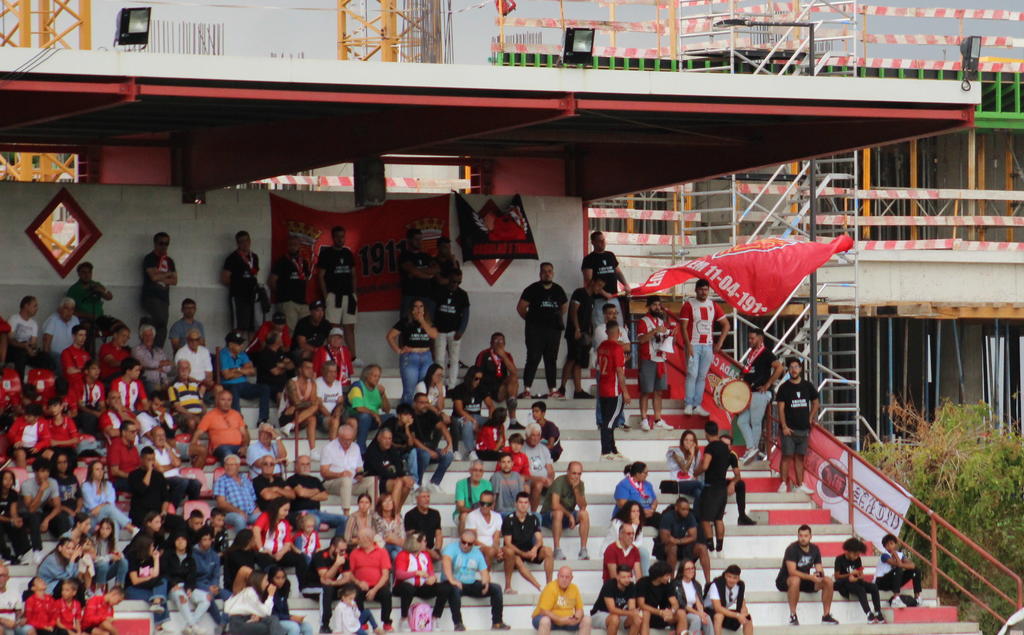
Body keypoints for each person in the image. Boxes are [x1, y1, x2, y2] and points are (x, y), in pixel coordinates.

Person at [678, 279, 730, 416]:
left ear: (709, 290)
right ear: (696, 290)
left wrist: (719, 343)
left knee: (702, 376)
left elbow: (726, 324)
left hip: (708, 346)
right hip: (693, 344)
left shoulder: (713, 305)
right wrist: (688, 345)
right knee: (692, 374)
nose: (703, 292)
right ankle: (688, 403)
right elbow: (683, 327)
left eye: (706, 289)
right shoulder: (689, 305)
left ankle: (697, 404)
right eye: (701, 289)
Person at [517, 262, 569, 399]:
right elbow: (521, 308)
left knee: (551, 359)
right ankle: (527, 390)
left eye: (550, 271)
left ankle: (552, 389)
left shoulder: (558, 290)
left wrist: (555, 319)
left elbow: (564, 306)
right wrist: (531, 321)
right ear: (540, 274)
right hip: (535, 331)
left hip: (553, 331)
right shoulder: (532, 289)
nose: (547, 274)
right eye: (544, 271)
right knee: (533, 358)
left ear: (553, 273)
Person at [442, 529, 509, 631]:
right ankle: (458, 623)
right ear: (460, 540)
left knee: (496, 588)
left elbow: (484, 571)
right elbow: (446, 562)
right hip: (453, 582)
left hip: (470, 583)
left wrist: (486, 582)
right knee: (454, 590)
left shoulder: (477, 552)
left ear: (473, 544)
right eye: (463, 542)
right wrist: (451, 580)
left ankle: (497, 622)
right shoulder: (451, 548)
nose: (466, 545)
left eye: (469, 544)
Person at [774, 524, 838, 626]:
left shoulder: (815, 549)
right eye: (800, 536)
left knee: (828, 581)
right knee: (795, 580)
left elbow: (819, 568)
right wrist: (811, 577)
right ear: (798, 536)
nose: (803, 538)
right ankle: (793, 615)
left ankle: (826, 616)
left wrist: (819, 576)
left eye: (805, 536)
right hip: (786, 580)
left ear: (810, 537)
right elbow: (792, 571)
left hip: (804, 579)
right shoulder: (791, 549)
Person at [735, 329, 783, 464]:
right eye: (749, 338)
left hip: (760, 393)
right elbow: (749, 370)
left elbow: (779, 368)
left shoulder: (766, 353)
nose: (750, 341)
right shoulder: (751, 354)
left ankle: (752, 451)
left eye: (752, 338)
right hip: (749, 392)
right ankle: (751, 448)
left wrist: (768, 384)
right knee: (741, 421)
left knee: (755, 422)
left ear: (760, 339)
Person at [694, 422, 740, 555]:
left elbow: (705, 466)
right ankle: (720, 548)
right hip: (722, 487)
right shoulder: (726, 449)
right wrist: (732, 483)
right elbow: (737, 473)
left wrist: (695, 473)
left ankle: (711, 548)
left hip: (711, 487)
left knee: (705, 519)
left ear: (706, 433)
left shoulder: (710, 447)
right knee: (718, 519)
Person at [776, 357, 819, 494]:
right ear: (788, 370)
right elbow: (780, 409)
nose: (794, 370)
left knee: (800, 457)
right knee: (787, 456)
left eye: (796, 367)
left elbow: (816, 402)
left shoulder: (807, 385)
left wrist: (810, 418)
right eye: (791, 367)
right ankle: (783, 484)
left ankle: (800, 485)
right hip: (789, 430)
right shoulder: (783, 388)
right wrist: (784, 426)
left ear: (800, 369)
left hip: (804, 430)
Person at [393, 532, 453, 629]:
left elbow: (431, 572)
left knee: (445, 588)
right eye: (424, 541)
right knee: (407, 588)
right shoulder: (403, 555)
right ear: (416, 543)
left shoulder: (425, 555)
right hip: (403, 587)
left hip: (421, 586)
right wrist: (416, 573)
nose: (426, 543)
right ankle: (404, 618)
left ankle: (435, 617)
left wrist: (432, 578)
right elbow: (399, 574)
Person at [317, 226, 359, 362]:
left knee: (349, 327)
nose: (340, 239)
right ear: (333, 238)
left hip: (349, 296)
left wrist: (354, 293)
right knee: (333, 327)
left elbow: (353, 274)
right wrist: (326, 295)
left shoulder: (347, 253)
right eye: (337, 237)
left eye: (342, 236)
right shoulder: (326, 253)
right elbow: (321, 276)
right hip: (334, 295)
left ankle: (353, 357)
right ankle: (332, 356)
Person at [387, 299, 437, 406]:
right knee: (409, 389)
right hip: (410, 356)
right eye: (416, 306)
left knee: (424, 388)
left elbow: (433, 335)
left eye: (421, 306)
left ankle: (421, 412)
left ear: (424, 309)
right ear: (412, 309)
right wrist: (398, 350)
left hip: (426, 356)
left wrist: (422, 321)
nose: (418, 309)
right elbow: (390, 336)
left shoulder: (429, 322)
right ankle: (406, 413)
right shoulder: (405, 321)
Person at [635, 297, 674, 431]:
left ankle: (658, 419)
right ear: (648, 306)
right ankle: (644, 419)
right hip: (647, 359)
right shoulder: (643, 321)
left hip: (660, 359)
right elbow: (641, 340)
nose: (657, 307)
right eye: (654, 305)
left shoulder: (661, 321)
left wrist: (670, 335)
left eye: (659, 305)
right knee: (646, 391)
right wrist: (655, 331)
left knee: (659, 392)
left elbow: (664, 338)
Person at [502, 492, 553, 593]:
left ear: (529, 504)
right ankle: (539, 587)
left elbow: (539, 539)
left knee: (548, 550)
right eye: (520, 502)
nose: (523, 505)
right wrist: (523, 554)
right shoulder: (509, 519)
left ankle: (549, 586)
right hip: (515, 552)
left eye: (525, 502)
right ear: (516, 504)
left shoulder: (533, 518)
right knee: (515, 557)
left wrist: (534, 549)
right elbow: (508, 543)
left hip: (529, 550)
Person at [558, 277, 601, 399]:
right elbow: (573, 310)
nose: (599, 289)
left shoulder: (592, 298)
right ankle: (562, 388)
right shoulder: (579, 293)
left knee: (579, 361)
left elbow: (589, 316)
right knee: (571, 358)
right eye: (598, 285)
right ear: (592, 282)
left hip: (585, 334)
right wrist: (577, 328)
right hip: (575, 333)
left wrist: (591, 332)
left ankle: (578, 390)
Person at [320, 423, 375, 516]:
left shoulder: (355, 447)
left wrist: (360, 475)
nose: (348, 443)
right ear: (339, 437)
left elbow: (359, 468)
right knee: (346, 480)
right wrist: (340, 474)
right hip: (333, 483)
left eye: (350, 440)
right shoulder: (328, 448)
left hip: (352, 482)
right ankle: (346, 514)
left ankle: (373, 513)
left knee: (372, 480)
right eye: (345, 440)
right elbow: (324, 473)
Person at [163, 530, 210, 635]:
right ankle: (194, 626)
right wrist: (174, 584)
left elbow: (192, 577)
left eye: (183, 539)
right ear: (174, 542)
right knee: (181, 597)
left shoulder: (190, 559)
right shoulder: (168, 556)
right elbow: (164, 574)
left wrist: (189, 588)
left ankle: (188, 626)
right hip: (173, 588)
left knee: (206, 598)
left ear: (187, 542)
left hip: (186, 587)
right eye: (178, 539)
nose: (180, 542)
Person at [287, 454, 348, 537]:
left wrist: (306, 494)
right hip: (301, 513)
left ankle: (336, 543)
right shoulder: (292, 479)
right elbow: (301, 493)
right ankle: (311, 544)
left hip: (318, 512)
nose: (305, 467)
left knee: (345, 519)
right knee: (315, 521)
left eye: (308, 464)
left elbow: (324, 496)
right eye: (302, 464)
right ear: (296, 466)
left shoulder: (315, 480)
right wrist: (316, 491)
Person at [219, 330, 271, 426]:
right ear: (230, 345)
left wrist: (237, 370)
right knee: (233, 390)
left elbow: (252, 371)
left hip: (244, 385)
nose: (241, 346)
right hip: (229, 385)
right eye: (238, 344)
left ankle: (263, 420)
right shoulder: (223, 354)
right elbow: (226, 375)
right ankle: (238, 420)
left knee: (265, 388)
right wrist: (243, 371)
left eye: (241, 343)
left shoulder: (242, 354)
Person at [23, 460, 71, 562]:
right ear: (35, 472)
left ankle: (65, 546)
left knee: (62, 516)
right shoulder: (27, 485)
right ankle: (37, 551)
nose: (45, 474)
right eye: (42, 471)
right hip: (26, 515)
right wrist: (41, 490)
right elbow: (31, 509)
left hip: (42, 514)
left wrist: (47, 520)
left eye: (47, 471)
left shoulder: (52, 482)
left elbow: (57, 506)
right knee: (34, 516)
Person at [252, 498, 309, 584]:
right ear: (277, 508)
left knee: (300, 559)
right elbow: (256, 530)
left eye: (288, 511)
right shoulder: (265, 516)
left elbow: (287, 543)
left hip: (280, 553)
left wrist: (280, 553)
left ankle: (304, 586)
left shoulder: (285, 523)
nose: (287, 513)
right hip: (265, 553)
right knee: (266, 561)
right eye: (285, 510)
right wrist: (261, 548)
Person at [542, 461, 590, 561]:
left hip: (566, 516)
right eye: (574, 473)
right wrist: (569, 515)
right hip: (549, 515)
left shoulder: (580, 484)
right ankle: (557, 550)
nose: (576, 476)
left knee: (584, 514)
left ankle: (583, 550)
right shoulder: (559, 481)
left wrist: (576, 490)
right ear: (567, 472)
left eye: (579, 474)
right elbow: (555, 505)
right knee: (558, 513)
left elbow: (583, 507)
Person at [596, 321, 631, 461]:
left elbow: (604, 365)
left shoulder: (601, 346)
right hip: (614, 390)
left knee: (607, 420)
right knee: (609, 422)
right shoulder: (617, 348)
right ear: (619, 333)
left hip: (603, 389)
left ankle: (613, 449)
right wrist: (625, 392)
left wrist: (622, 362)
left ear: (606, 332)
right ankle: (605, 452)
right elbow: (619, 372)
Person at [655, 497, 711, 583]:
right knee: (673, 547)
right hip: (666, 547)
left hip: (682, 546)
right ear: (676, 508)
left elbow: (693, 536)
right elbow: (665, 538)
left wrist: (678, 541)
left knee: (702, 547)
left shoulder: (690, 517)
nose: (686, 512)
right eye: (683, 509)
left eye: (687, 509)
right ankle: (672, 580)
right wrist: (677, 541)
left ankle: (708, 582)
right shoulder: (667, 517)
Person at [431, 269, 470, 389]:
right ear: (448, 279)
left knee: (454, 359)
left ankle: (451, 386)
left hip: (454, 331)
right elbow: (432, 310)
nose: (456, 284)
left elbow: (466, 314)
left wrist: (461, 330)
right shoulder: (439, 291)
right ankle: (440, 385)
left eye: (459, 282)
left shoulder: (462, 294)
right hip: (439, 331)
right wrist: (432, 326)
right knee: (439, 359)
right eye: (453, 281)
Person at [349, 528, 394, 631]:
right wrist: (358, 582)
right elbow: (349, 573)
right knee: (353, 592)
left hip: (377, 586)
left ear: (368, 539)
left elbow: (385, 575)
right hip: (360, 585)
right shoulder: (354, 553)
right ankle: (362, 621)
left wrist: (374, 590)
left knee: (386, 594)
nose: (357, 540)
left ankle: (386, 622)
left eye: (359, 538)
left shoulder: (382, 552)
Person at [409, 392, 454, 492]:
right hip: (416, 450)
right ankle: (418, 484)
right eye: (422, 402)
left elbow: (442, 427)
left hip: (429, 448)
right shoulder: (410, 415)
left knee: (448, 455)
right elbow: (413, 439)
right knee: (425, 455)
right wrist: (428, 451)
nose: (425, 405)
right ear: (414, 404)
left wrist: (449, 443)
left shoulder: (430, 414)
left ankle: (434, 482)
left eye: (427, 402)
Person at [308, 537, 354, 633]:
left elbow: (347, 577)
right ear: (333, 547)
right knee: (325, 590)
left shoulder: (344, 556)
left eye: (345, 550)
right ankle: (324, 625)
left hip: (329, 585)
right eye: (341, 550)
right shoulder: (320, 556)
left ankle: (353, 622)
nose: (344, 552)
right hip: (312, 586)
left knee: (350, 587)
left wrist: (334, 583)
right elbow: (325, 578)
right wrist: (336, 564)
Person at [221, 230, 262, 339]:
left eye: (246, 240)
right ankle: (237, 347)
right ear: (237, 243)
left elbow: (254, 274)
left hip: (252, 297)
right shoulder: (232, 258)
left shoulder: (254, 257)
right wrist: (239, 285)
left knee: (252, 327)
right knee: (239, 327)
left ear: (250, 241)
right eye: (241, 241)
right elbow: (225, 279)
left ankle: (250, 349)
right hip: (239, 297)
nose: (245, 243)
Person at [835, 537, 885, 624]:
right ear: (848, 551)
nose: (856, 557)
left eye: (858, 555)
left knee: (873, 587)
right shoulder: (839, 559)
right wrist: (849, 575)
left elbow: (861, 574)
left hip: (856, 581)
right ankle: (869, 613)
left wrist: (859, 576)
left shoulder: (858, 559)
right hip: (844, 583)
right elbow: (837, 576)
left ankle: (878, 611)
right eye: (855, 554)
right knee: (860, 589)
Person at [364, 428, 415, 513]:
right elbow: (381, 471)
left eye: (389, 439)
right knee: (398, 482)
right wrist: (399, 477)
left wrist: (404, 476)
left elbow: (399, 466)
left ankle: (397, 512)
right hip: (376, 481)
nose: (387, 441)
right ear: (379, 438)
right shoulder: (372, 451)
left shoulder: (392, 449)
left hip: (390, 479)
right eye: (385, 438)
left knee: (408, 483)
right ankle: (392, 514)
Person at [194, 389, 251, 464]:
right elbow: (198, 433)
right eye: (223, 400)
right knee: (228, 454)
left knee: (256, 454)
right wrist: (193, 444)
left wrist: (245, 447)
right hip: (220, 448)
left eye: (229, 400)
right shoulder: (209, 415)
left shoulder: (236, 414)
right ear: (217, 401)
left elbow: (245, 434)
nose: (226, 403)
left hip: (238, 447)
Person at [141, 232, 177, 348]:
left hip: (164, 298)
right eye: (161, 243)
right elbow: (153, 277)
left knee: (162, 325)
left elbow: (174, 280)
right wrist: (168, 274)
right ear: (155, 243)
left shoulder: (169, 261)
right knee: (157, 322)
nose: (164, 246)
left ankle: (158, 350)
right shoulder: (149, 258)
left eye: (167, 243)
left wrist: (160, 275)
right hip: (151, 296)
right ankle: (148, 348)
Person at [600, 502, 652, 583]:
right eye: (633, 511)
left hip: (628, 549)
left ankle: (645, 582)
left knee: (643, 552)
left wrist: (636, 526)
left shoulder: (638, 524)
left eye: (638, 511)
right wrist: (634, 525)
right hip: (614, 549)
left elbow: (639, 542)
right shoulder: (617, 522)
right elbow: (623, 540)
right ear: (627, 512)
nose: (636, 514)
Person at [474, 333, 519, 425]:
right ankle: (509, 415)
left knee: (514, 378)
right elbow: (476, 373)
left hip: (500, 389)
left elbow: (514, 372)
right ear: (491, 343)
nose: (499, 343)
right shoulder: (484, 354)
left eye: (501, 341)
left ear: (504, 344)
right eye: (496, 340)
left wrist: (504, 356)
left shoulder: (507, 355)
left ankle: (513, 417)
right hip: (486, 388)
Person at [270, 235, 313, 331]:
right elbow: (272, 281)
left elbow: (306, 279)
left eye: (295, 244)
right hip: (287, 302)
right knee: (289, 331)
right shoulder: (282, 261)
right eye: (291, 244)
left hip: (302, 302)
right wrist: (282, 295)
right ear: (287, 246)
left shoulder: (304, 262)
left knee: (305, 331)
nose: (293, 247)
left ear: (299, 246)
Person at [450, 367, 493, 461]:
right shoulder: (459, 389)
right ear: (470, 377)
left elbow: (491, 405)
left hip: (476, 417)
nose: (478, 381)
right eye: (476, 378)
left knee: (497, 421)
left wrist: (491, 419)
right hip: (461, 417)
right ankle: (471, 451)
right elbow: (459, 410)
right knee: (468, 423)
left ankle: (493, 449)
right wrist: (473, 421)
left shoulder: (481, 388)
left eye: (480, 379)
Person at [532, 566, 591, 635]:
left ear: (571, 578)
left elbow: (579, 610)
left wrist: (576, 619)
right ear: (558, 576)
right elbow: (544, 611)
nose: (564, 579)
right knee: (545, 621)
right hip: (550, 620)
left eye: (567, 577)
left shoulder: (574, 588)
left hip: (568, 621)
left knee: (587, 619)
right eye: (562, 576)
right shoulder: (550, 587)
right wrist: (560, 620)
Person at [224, 570, 286, 635]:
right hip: (238, 623)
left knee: (273, 619)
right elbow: (266, 612)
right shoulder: (250, 592)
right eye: (266, 580)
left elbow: (259, 612)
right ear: (259, 580)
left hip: (246, 619)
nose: (267, 583)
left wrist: (255, 616)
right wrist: (270, 596)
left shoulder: (252, 591)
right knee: (268, 628)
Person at [126, 534, 170, 625]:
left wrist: (156, 559)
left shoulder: (151, 558)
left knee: (162, 585)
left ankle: (156, 602)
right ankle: (159, 625)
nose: (153, 548)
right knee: (160, 596)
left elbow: (155, 575)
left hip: (147, 587)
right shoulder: (133, 558)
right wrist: (149, 578)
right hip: (133, 589)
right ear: (145, 547)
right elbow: (135, 581)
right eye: (152, 546)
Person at [281, 359, 320, 458]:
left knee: (312, 418)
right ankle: (290, 424)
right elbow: (297, 403)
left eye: (312, 368)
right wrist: (302, 404)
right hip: (287, 416)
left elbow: (310, 404)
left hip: (299, 418)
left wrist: (299, 405)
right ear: (300, 369)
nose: (310, 371)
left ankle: (312, 450)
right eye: (307, 368)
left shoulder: (313, 384)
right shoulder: (291, 382)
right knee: (315, 406)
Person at [82, 461, 135, 534]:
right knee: (109, 510)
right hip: (91, 517)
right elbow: (93, 509)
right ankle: (131, 528)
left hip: (106, 515)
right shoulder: (86, 486)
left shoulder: (108, 485)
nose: (100, 472)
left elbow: (111, 503)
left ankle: (115, 542)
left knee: (114, 520)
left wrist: (101, 506)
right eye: (97, 469)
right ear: (91, 472)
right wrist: (104, 505)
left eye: (102, 469)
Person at [348, 365, 391, 452]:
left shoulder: (377, 389)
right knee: (365, 416)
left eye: (378, 376)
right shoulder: (357, 386)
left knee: (391, 417)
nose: (377, 379)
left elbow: (387, 410)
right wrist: (374, 414)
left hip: (373, 420)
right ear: (367, 376)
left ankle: (385, 448)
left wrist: (383, 394)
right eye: (374, 376)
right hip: (358, 418)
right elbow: (359, 408)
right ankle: (361, 448)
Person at [7, 296, 55, 375]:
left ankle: (44, 380)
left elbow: (33, 342)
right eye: (35, 306)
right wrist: (25, 346)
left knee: (45, 357)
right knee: (21, 354)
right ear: (26, 306)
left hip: (27, 349)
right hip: (14, 349)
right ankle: (19, 380)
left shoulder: (34, 324)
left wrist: (33, 349)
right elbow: (10, 340)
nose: (37, 308)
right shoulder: (14, 319)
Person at [215, 454, 261, 532]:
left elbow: (253, 498)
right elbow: (221, 503)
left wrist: (256, 508)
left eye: (231, 465)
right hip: (231, 514)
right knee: (239, 519)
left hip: (250, 513)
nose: (229, 467)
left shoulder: (245, 479)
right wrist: (238, 511)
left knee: (263, 517)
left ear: (238, 466)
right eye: (226, 465)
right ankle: (242, 540)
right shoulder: (221, 480)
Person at [398, 228, 439, 316]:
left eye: (420, 239)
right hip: (410, 296)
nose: (419, 242)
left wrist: (417, 270)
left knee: (426, 322)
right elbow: (413, 271)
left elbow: (436, 269)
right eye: (416, 239)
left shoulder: (426, 256)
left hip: (426, 296)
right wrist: (428, 276)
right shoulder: (404, 256)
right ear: (409, 240)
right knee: (407, 322)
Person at [718, 434, 756, 526]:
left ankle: (742, 516)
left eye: (727, 445)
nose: (724, 447)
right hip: (710, 482)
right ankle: (716, 517)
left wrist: (732, 483)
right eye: (722, 444)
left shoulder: (732, 455)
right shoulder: (712, 453)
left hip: (721, 481)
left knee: (740, 484)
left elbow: (738, 476)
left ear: (730, 446)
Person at [591, 565, 641, 635]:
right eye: (623, 577)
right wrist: (631, 612)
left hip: (620, 615)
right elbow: (612, 609)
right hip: (600, 613)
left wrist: (634, 613)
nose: (627, 580)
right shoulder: (609, 585)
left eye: (629, 577)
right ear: (617, 577)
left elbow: (631, 608)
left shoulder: (631, 586)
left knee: (637, 619)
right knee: (614, 618)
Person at [876, 533, 923, 607]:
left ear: (895, 544)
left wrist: (901, 562)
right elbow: (897, 564)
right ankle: (896, 599)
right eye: (887, 545)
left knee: (916, 570)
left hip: (893, 581)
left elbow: (912, 565)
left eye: (891, 543)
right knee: (898, 569)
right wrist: (895, 554)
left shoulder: (901, 554)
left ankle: (917, 597)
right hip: (882, 582)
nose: (890, 546)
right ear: (884, 547)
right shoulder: (884, 555)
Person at [705, 564, 752, 635]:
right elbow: (717, 608)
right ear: (725, 576)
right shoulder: (716, 585)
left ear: (738, 579)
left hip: (724, 611)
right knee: (719, 616)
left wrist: (743, 615)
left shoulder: (740, 586)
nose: (731, 580)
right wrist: (737, 615)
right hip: (708, 611)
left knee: (747, 617)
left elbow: (743, 606)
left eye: (734, 578)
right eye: (729, 577)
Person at [635, 561, 679, 633]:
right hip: (641, 613)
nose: (669, 578)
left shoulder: (667, 585)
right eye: (667, 575)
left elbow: (675, 603)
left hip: (658, 614)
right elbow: (641, 604)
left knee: (681, 613)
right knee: (646, 613)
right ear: (659, 575)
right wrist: (660, 612)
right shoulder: (643, 582)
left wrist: (671, 611)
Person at [268, 566, 314, 635]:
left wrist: (293, 617)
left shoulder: (284, 589)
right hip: (274, 620)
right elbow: (270, 613)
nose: (281, 581)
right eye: (277, 578)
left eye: (283, 578)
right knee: (294, 627)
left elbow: (284, 611)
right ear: (271, 578)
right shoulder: (268, 591)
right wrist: (290, 617)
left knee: (307, 627)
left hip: (284, 618)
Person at [463, 490, 504, 567]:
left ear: (493, 504)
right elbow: (473, 540)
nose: (484, 506)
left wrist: (496, 549)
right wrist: (491, 549)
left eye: (488, 504)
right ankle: (486, 572)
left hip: (491, 547)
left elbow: (496, 539)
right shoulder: (472, 516)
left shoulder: (497, 517)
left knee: (509, 552)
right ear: (479, 503)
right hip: (476, 547)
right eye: (482, 504)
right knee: (491, 551)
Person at [7, 403, 53, 469]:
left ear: (36, 417)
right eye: (25, 415)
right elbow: (11, 433)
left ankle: (42, 473)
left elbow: (47, 439)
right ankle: (22, 474)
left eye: (28, 416)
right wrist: (17, 440)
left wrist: (38, 446)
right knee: (21, 453)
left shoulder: (43, 423)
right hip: (20, 447)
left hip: (34, 448)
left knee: (49, 453)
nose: (25, 417)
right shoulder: (19, 420)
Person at [665, 430, 704, 506]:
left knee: (698, 493)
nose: (688, 442)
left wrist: (693, 454)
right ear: (682, 441)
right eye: (686, 440)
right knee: (700, 484)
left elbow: (695, 470)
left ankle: (697, 513)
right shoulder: (674, 452)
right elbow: (684, 470)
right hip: (677, 483)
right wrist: (691, 455)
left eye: (691, 440)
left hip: (690, 483)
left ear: (694, 443)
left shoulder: (697, 453)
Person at [613, 463, 659, 528]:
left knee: (661, 519)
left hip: (647, 515)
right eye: (645, 473)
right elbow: (622, 504)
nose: (647, 475)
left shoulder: (648, 485)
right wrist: (641, 512)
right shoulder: (623, 485)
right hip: (630, 515)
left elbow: (654, 500)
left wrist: (652, 510)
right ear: (637, 474)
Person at [674, 560, 713, 635]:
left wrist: (701, 613)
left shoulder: (696, 584)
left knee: (707, 618)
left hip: (693, 611)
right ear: (682, 571)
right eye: (688, 569)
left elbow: (699, 602)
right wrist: (698, 613)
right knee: (696, 619)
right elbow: (681, 604)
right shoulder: (676, 584)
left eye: (692, 568)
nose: (691, 571)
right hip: (682, 612)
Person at [403, 488, 443, 561]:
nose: (427, 499)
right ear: (417, 499)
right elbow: (412, 538)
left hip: (432, 549)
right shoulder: (409, 515)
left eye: (428, 496)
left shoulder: (435, 514)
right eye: (423, 497)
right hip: (416, 549)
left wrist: (437, 550)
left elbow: (438, 534)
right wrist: (429, 552)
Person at [41, 298, 81, 368]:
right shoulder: (53, 320)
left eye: (72, 309)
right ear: (60, 309)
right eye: (66, 308)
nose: (69, 312)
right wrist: (46, 359)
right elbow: (46, 342)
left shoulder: (75, 320)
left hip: (71, 355)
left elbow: (79, 340)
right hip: (56, 356)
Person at [0, 470, 30, 564]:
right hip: (2, 520)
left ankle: (22, 554)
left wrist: (16, 520)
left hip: (7, 519)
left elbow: (13, 512)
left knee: (18, 527)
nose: (8, 481)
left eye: (10, 479)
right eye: (5, 479)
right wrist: (11, 520)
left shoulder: (13, 494)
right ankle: (5, 555)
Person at [174, 327, 216, 393]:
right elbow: (182, 375)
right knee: (201, 389)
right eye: (192, 340)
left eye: (197, 340)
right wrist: (199, 383)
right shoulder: (180, 353)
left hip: (204, 383)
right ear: (187, 340)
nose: (194, 342)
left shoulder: (205, 351)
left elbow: (209, 372)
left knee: (218, 388)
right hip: (188, 383)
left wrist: (207, 382)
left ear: (199, 340)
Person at [523, 424, 555, 510]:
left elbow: (550, 470)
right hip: (526, 481)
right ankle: (531, 513)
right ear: (527, 436)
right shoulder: (522, 448)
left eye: (538, 435)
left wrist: (550, 479)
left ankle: (533, 514)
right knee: (538, 484)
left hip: (542, 482)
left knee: (540, 484)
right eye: (533, 435)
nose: (536, 438)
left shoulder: (544, 449)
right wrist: (539, 479)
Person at [133, 324, 173, 393]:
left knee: (175, 389)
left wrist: (156, 367)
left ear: (153, 337)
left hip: (164, 381)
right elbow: (147, 363)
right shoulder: (137, 349)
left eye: (150, 335)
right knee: (156, 389)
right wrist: (161, 364)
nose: (148, 338)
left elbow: (169, 367)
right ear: (141, 337)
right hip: (148, 382)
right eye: (146, 335)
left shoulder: (159, 350)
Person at [454, 461, 492, 531]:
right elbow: (460, 507)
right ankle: (463, 538)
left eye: (480, 471)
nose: (478, 473)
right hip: (465, 513)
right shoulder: (461, 484)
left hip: (483, 512)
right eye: (475, 470)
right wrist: (475, 512)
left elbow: (490, 504)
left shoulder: (487, 484)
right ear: (470, 471)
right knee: (464, 516)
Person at [317, 361, 347, 440]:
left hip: (336, 415)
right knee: (335, 421)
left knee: (352, 422)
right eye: (330, 372)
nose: (333, 374)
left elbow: (340, 403)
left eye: (335, 372)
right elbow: (319, 406)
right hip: (322, 416)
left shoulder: (337, 384)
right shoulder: (317, 383)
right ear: (323, 372)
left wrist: (338, 411)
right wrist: (332, 416)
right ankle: (333, 446)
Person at [372, 494, 406, 561]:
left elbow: (402, 536)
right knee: (397, 550)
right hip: (382, 546)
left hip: (396, 545)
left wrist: (392, 539)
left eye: (390, 501)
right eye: (385, 501)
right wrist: (392, 539)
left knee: (394, 554)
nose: (388, 503)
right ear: (380, 504)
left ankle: (399, 566)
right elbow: (379, 537)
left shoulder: (398, 518)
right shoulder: (375, 518)